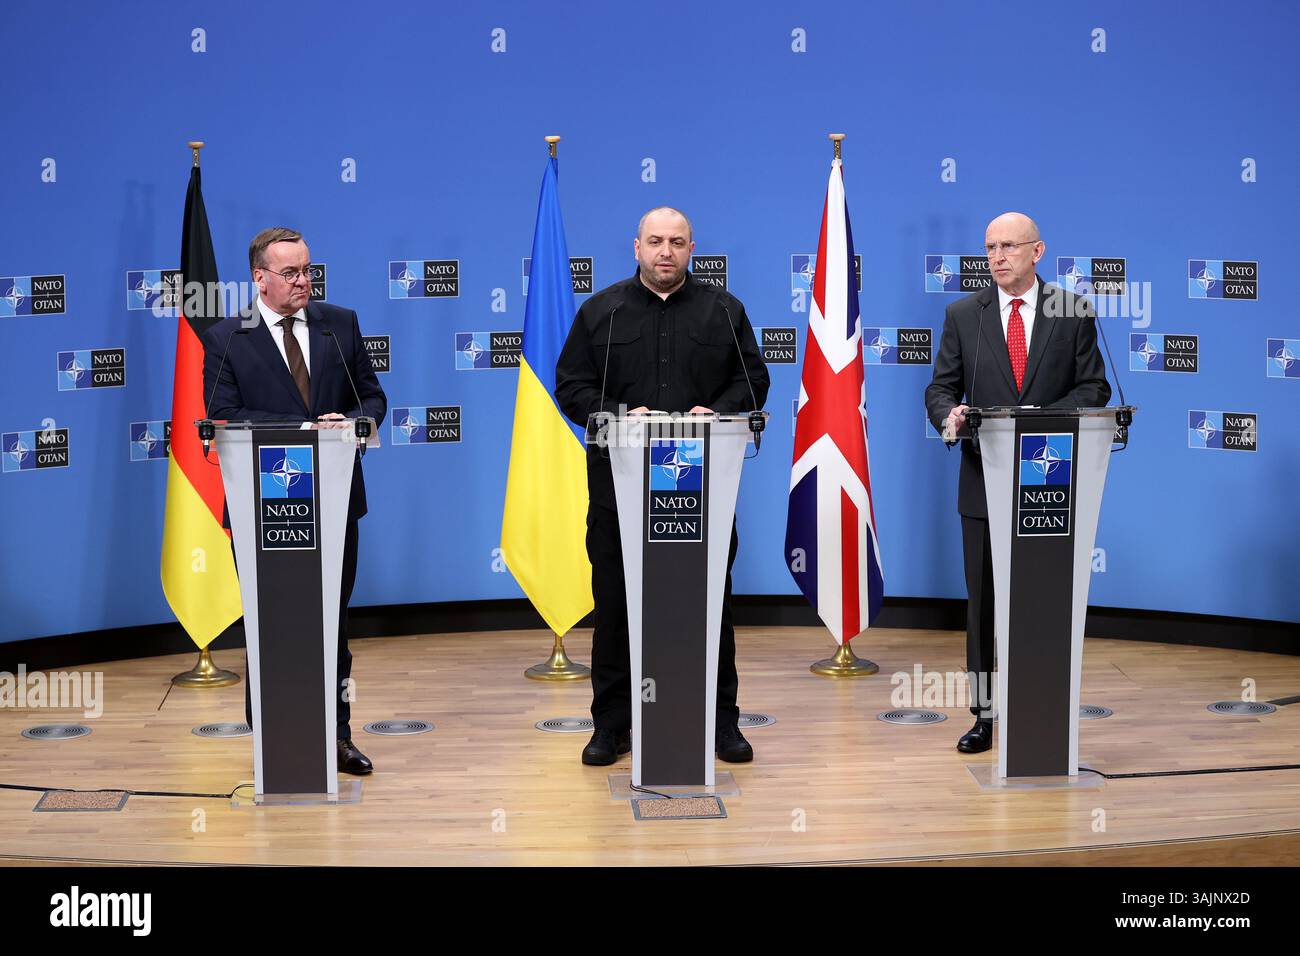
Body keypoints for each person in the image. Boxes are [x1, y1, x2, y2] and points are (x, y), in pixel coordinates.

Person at [554, 206, 770, 766]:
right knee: (616, 610)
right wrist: (620, 415)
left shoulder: (725, 311)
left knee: (711, 608)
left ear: (692, 249)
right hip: (617, 494)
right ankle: (612, 726)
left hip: (701, 498)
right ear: (636, 247)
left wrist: (714, 411)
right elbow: (571, 385)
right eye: (655, 241)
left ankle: (721, 723)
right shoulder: (601, 311)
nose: (665, 251)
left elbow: (754, 381)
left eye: (677, 241)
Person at [203, 227, 387, 775]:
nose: (304, 281)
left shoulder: (340, 324)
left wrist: (355, 421)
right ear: (259, 277)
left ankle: (338, 735)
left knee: (333, 622)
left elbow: (371, 395)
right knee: (271, 622)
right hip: (266, 504)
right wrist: (308, 427)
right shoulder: (226, 336)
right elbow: (226, 417)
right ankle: (273, 738)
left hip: (333, 501)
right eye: (290, 273)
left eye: (308, 270)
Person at [925, 212, 1111, 753]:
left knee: (1044, 597)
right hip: (984, 480)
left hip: (1047, 479)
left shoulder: (1071, 310)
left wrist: (1034, 419)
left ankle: (1042, 705)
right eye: (990, 248)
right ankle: (983, 716)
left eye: (1009, 246)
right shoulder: (964, 314)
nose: (998, 256)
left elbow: (1093, 389)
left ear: (1038, 251)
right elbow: (940, 387)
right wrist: (949, 415)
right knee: (983, 605)